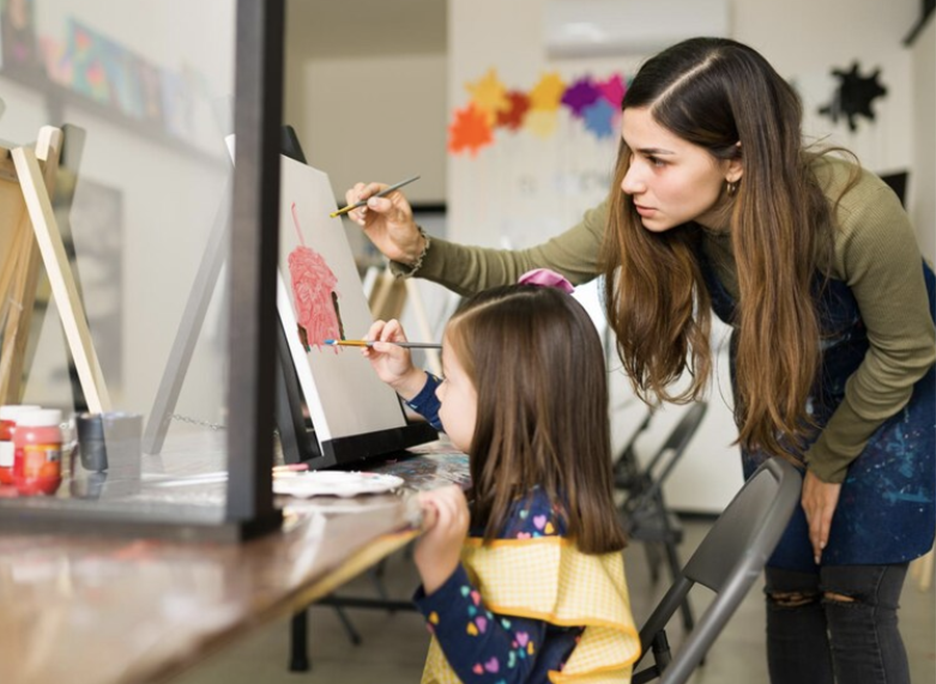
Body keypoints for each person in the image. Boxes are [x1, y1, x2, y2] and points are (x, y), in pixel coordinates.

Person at [347, 37, 936, 684]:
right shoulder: (646, 205)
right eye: (631, 153)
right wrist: (414, 247)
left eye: (658, 159)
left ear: (735, 160)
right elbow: (524, 274)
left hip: (888, 383)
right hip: (779, 376)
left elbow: (906, 348)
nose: (631, 180)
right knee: (788, 587)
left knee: (854, 597)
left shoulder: (855, 212)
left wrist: (829, 463)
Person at [362, 276, 640, 683]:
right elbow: (471, 421)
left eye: (449, 381)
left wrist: (439, 569)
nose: (440, 394)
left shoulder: (534, 519)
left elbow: (499, 676)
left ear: (505, 407)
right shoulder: (547, 477)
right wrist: (408, 379)